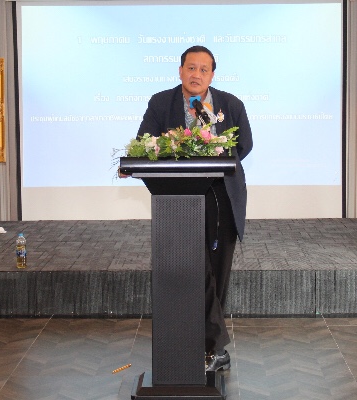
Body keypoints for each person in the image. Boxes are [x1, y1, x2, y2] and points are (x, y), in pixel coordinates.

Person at [137, 45, 253, 372]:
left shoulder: (231, 104)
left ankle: (208, 347)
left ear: (212, 75)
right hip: (179, 200)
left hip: (222, 197)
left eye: (203, 69)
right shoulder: (161, 102)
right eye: (191, 68)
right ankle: (209, 346)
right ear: (180, 71)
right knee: (194, 270)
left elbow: (243, 145)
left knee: (217, 274)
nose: (196, 74)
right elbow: (144, 141)